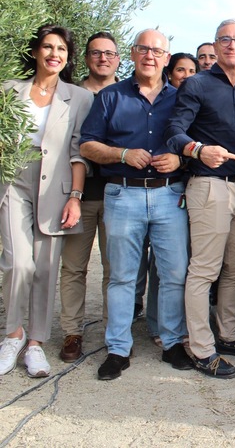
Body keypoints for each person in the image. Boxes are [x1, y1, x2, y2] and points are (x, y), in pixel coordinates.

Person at [80, 29, 192, 380]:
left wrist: (180, 162)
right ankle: (118, 348)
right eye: (144, 49)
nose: (150, 56)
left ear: (166, 57)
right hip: (122, 193)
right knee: (122, 277)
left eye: (157, 51)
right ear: (132, 53)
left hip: (169, 194)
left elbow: (194, 145)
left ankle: (172, 343)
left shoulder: (182, 99)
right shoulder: (110, 97)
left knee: (174, 274)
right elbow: (87, 146)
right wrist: (122, 154)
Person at [166, 19, 235, 379]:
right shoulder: (196, 84)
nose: (233, 45)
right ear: (216, 46)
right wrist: (198, 149)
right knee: (204, 270)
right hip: (208, 186)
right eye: (226, 40)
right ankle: (202, 349)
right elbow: (175, 131)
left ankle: (229, 335)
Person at [0, 24, 92, 377]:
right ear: (36, 51)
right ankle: (13, 334)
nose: (55, 54)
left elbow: (78, 151)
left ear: (67, 58)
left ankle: (35, 343)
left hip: (57, 184)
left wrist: (75, 197)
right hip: (14, 182)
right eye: (48, 47)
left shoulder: (79, 97)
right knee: (17, 263)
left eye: (62, 50)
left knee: (46, 267)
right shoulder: (9, 91)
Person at [58, 31, 119, 362]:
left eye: (109, 53)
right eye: (96, 53)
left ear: (118, 59)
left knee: (116, 268)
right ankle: (72, 332)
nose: (103, 59)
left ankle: (115, 332)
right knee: (74, 267)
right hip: (76, 196)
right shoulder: (70, 95)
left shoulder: (126, 94)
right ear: (85, 58)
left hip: (116, 194)